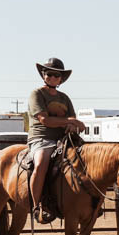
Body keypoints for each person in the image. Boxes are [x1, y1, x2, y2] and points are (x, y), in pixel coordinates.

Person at [27, 58, 84, 223]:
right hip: (41, 137)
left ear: (61, 79)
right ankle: (37, 206)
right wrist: (70, 122)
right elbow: (45, 120)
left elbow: (73, 117)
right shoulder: (36, 94)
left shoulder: (64, 98)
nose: (52, 77)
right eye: (49, 74)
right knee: (41, 163)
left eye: (56, 75)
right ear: (44, 75)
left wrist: (74, 125)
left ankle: (88, 202)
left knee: (87, 160)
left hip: (63, 139)